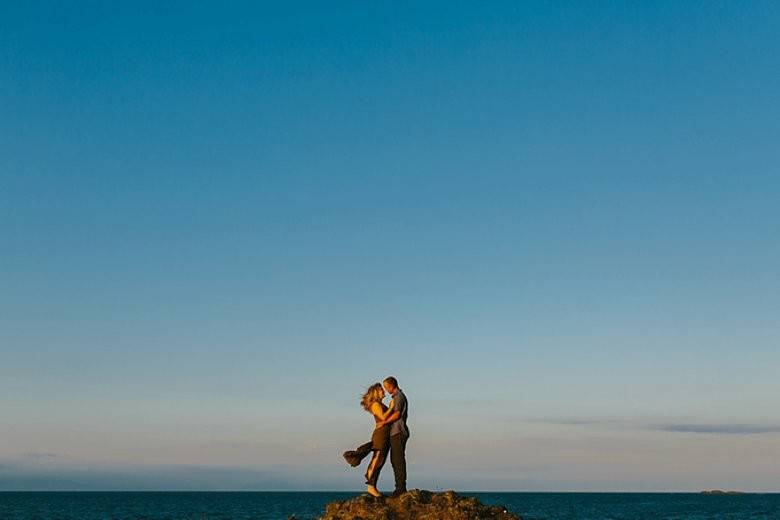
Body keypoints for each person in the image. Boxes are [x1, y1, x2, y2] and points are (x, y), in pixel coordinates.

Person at [346, 383, 394, 497]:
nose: (383, 391)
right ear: (376, 392)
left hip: (385, 433)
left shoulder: (380, 404)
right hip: (381, 434)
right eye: (381, 389)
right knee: (377, 459)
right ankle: (371, 486)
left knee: (380, 460)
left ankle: (373, 485)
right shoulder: (376, 404)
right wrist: (391, 407)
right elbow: (383, 417)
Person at [377, 376, 409, 497]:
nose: (385, 390)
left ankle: (401, 488)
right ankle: (399, 487)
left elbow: (397, 415)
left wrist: (384, 423)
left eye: (386, 387)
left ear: (391, 385)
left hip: (398, 431)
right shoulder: (396, 398)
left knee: (398, 460)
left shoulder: (399, 397)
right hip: (395, 432)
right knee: (395, 460)